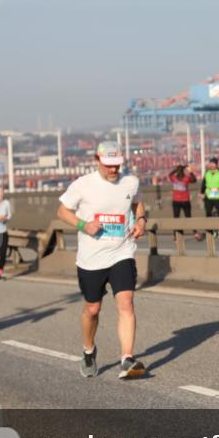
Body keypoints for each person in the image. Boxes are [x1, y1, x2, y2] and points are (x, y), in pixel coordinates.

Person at [56, 141, 148, 380]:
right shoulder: (83, 185)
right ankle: (88, 351)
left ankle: (126, 359)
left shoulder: (131, 181)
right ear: (96, 161)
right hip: (91, 258)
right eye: (108, 165)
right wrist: (83, 225)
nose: (113, 170)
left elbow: (138, 203)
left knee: (126, 302)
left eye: (117, 165)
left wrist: (141, 221)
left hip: (121, 251)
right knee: (92, 309)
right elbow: (62, 211)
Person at [201, 157, 219, 238]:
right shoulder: (207, 173)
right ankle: (210, 231)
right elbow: (203, 183)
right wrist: (201, 193)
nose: (211, 165)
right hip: (208, 197)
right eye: (210, 163)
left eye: (213, 163)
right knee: (208, 213)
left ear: (216, 164)